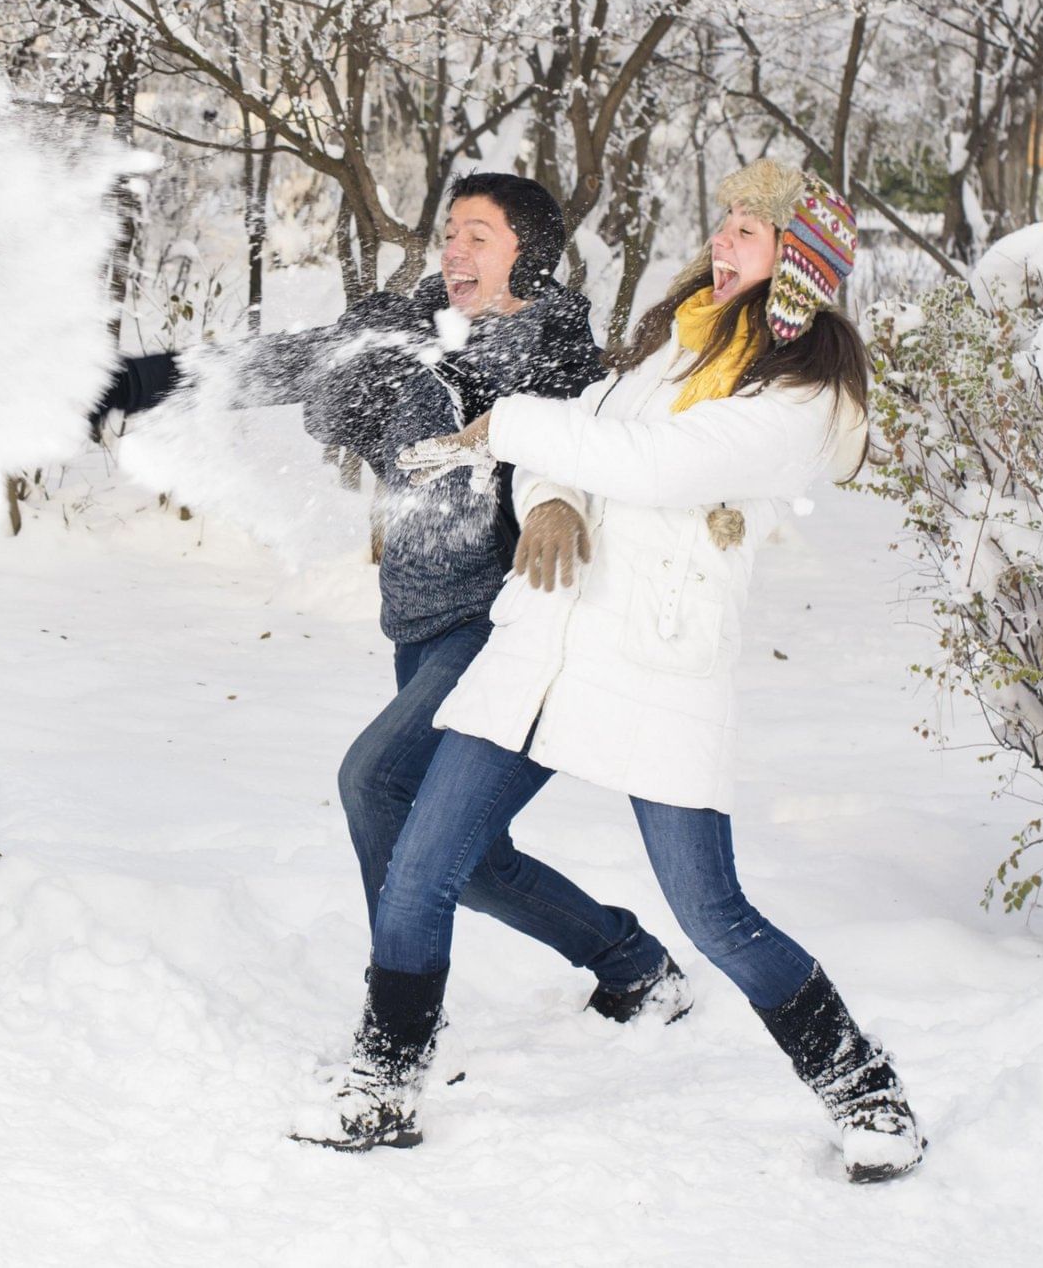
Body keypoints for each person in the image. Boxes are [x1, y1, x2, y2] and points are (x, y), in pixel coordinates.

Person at [304, 160, 924, 1182]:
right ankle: (383, 1079)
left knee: (711, 912)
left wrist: (507, 428)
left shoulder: (796, 401)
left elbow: (654, 467)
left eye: (749, 235)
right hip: (544, 639)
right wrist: (547, 495)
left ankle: (864, 1092)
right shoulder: (670, 348)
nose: (722, 243)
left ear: (797, 270)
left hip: (654, 666)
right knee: (420, 860)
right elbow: (590, 433)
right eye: (722, 223)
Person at [96, 174, 688, 1032]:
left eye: (478, 236)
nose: (453, 249)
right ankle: (633, 963)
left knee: (377, 783)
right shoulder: (408, 324)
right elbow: (292, 362)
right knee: (471, 859)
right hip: (420, 619)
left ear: (529, 253)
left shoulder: (557, 365)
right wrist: (144, 379)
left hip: (510, 627)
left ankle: (403, 1014)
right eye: (450, 232)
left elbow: (569, 466)